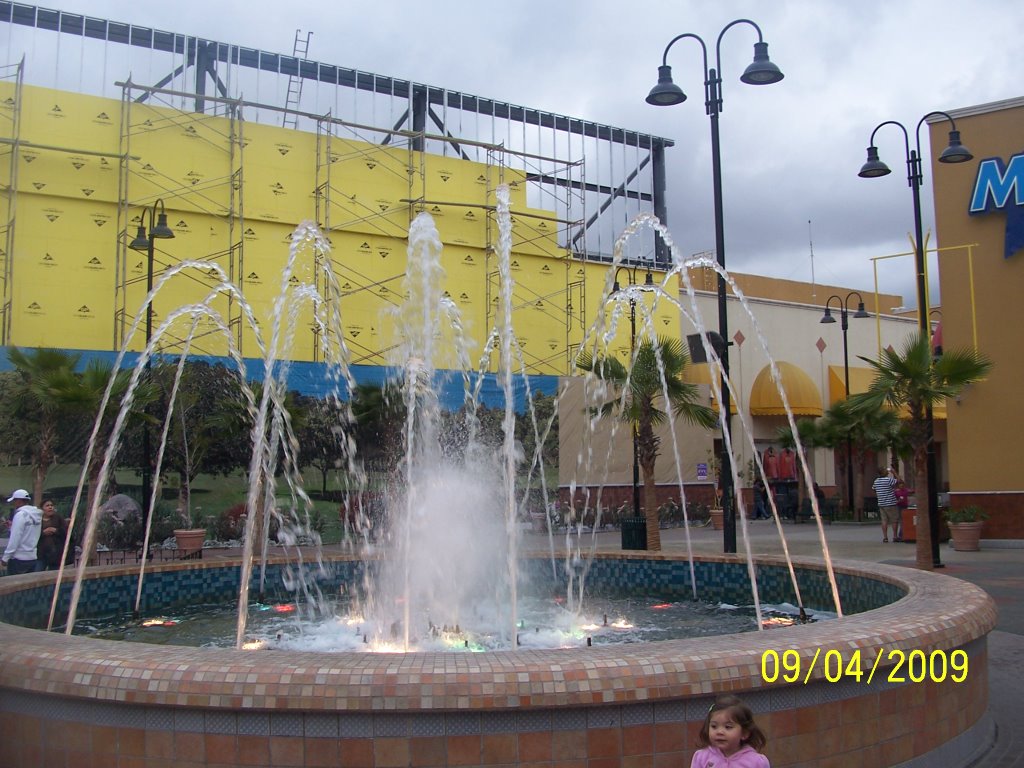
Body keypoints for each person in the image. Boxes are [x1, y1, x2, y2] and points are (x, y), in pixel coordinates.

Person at [691, 694, 769, 767]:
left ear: (744, 733)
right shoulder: (701, 757)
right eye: (714, 726)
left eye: (728, 727)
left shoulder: (756, 762)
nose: (719, 732)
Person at [2, 489, 42, 575]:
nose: (13, 503)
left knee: (14, 586)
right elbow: (28, 533)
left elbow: (15, 538)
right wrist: (11, 527)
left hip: (18, 559)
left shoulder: (20, 515)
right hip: (32, 558)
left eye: (14, 500)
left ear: (19, 500)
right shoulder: (36, 515)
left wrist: (5, 558)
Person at [37, 499, 70, 570]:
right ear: (42, 508)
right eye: (47, 506)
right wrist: (43, 533)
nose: (50, 507)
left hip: (55, 553)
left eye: (51, 505)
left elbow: (66, 532)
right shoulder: (37, 519)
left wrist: (56, 531)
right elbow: (32, 535)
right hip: (40, 553)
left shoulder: (58, 518)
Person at [872, 466, 900, 543]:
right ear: (884, 472)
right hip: (891, 503)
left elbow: (874, 489)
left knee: (884, 521)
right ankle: (895, 536)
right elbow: (899, 481)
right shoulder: (888, 480)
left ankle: (885, 537)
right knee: (894, 520)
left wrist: (879, 495)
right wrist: (894, 472)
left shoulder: (876, 481)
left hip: (881, 503)